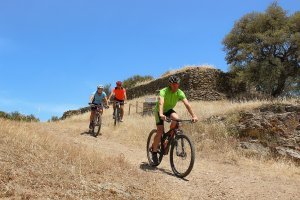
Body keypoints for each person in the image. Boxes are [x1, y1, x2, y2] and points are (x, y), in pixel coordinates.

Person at [151, 75, 198, 165]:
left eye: (177, 84)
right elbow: (161, 103)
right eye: (174, 85)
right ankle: (154, 152)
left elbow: (187, 104)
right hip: (159, 111)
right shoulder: (163, 91)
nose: (176, 86)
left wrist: (194, 115)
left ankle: (167, 141)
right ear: (170, 85)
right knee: (160, 131)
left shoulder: (180, 92)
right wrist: (161, 114)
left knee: (177, 121)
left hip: (168, 110)